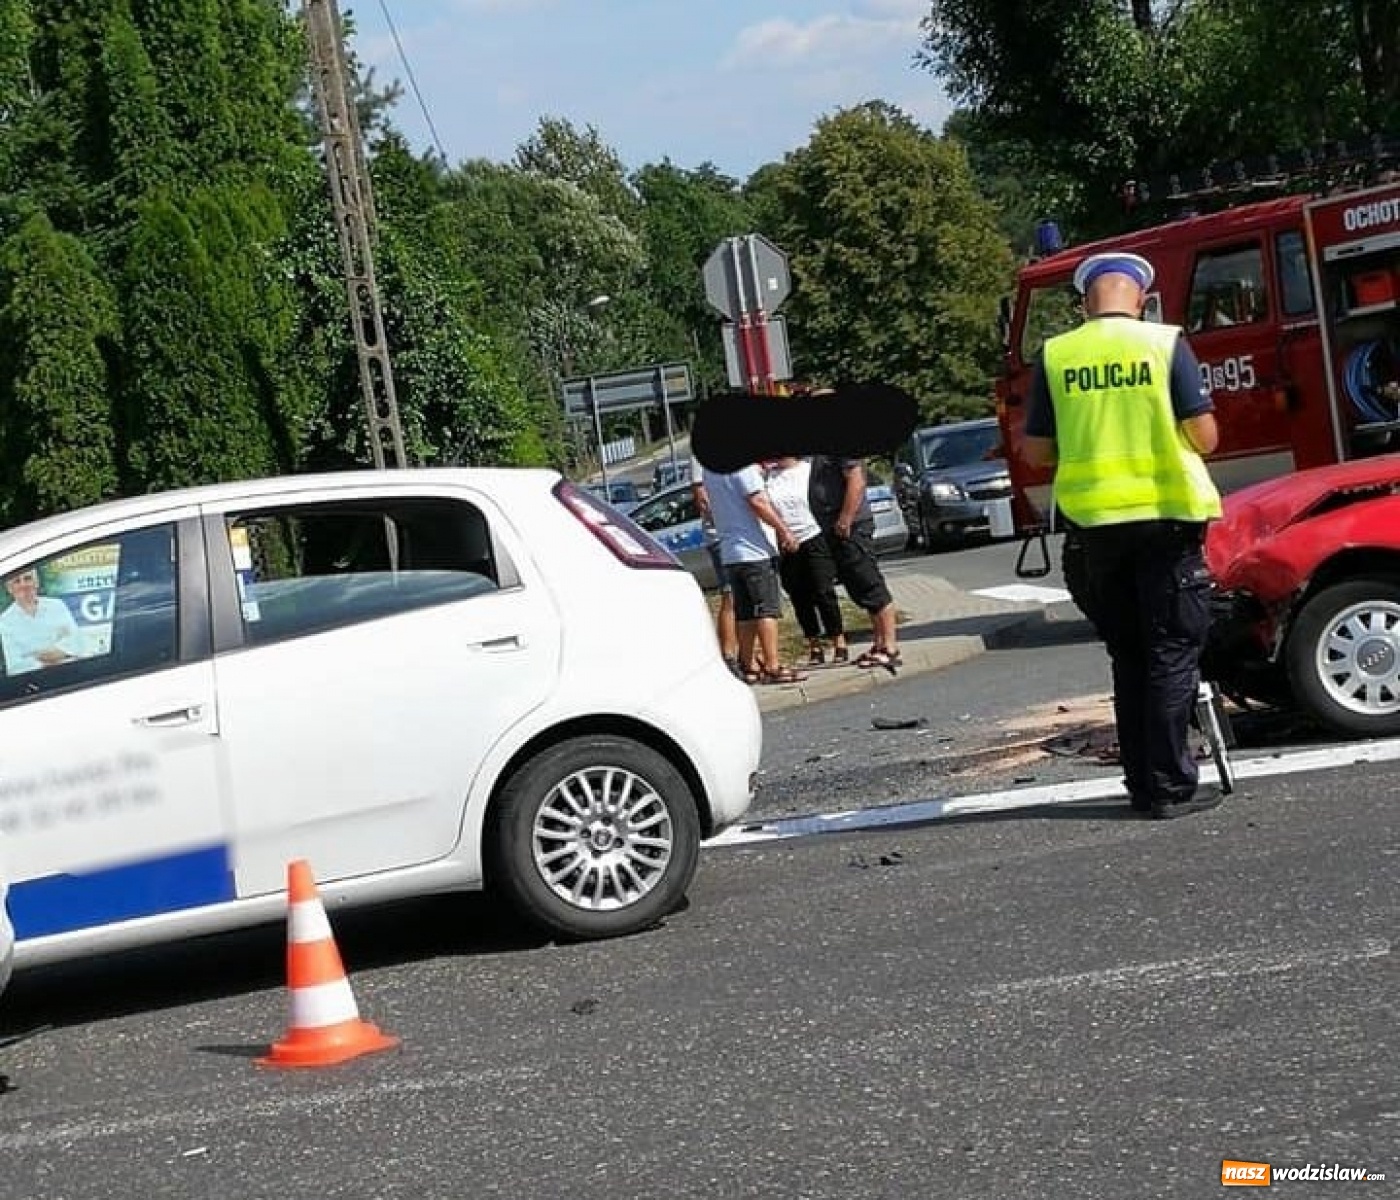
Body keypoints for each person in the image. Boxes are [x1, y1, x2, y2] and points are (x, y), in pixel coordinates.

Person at [1023, 250, 1224, 821]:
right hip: (1166, 518)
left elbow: (1036, 450)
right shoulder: (1163, 344)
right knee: (1172, 652)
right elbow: (1205, 437)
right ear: (1139, 299)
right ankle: (1168, 786)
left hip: (1094, 531)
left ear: (1086, 300)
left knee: (1129, 654)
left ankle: (1141, 782)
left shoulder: (1056, 356)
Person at [700, 462, 806, 685]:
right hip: (754, 551)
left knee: (745, 613)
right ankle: (772, 665)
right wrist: (783, 530)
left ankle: (747, 665)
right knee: (766, 609)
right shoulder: (742, 469)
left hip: (730, 551)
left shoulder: (710, 471)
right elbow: (757, 502)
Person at [807, 451, 900, 672]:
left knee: (869, 581)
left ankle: (890, 646)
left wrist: (845, 519)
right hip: (834, 527)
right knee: (859, 586)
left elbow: (856, 480)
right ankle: (879, 643)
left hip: (851, 526)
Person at [763, 456, 848, 665]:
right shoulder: (768, 478)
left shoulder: (809, 470)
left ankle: (839, 640)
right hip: (786, 542)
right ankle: (814, 645)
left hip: (813, 535)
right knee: (799, 596)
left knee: (823, 590)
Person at [691, 475, 741, 675]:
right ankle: (728, 654)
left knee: (744, 599)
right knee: (730, 595)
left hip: (738, 533)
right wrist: (725, 521)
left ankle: (747, 653)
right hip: (722, 536)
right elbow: (702, 498)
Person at [0, 568, 82, 674]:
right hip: (35, 682)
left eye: (28, 578)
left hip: (71, 671)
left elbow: (77, 643)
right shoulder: (4, 621)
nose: (23, 584)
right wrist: (50, 660)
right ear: (9, 588)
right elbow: (15, 666)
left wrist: (36, 655)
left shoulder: (57, 605)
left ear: (36, 582)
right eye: (17, 581)